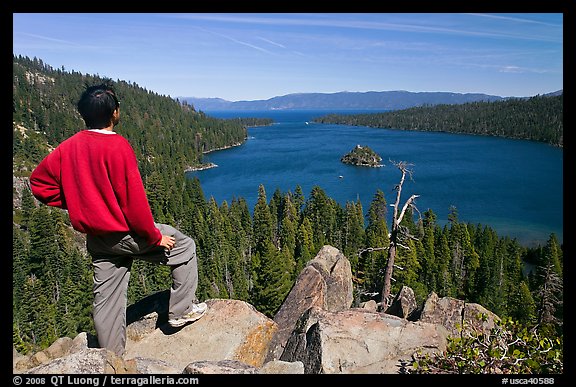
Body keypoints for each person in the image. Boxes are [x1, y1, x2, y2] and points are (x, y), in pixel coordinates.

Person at [29, 82, 207, 356]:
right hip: (126, 234)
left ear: (83, 114)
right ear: (114, 113)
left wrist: (80, 203)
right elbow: (134, 206)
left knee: (108, 299)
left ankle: (110, 359)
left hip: (98, 239)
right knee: (184, 247)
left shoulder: (69, 146)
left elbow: (39, 184)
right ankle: (181, 310)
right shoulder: (117, 146)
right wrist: (154, 237)